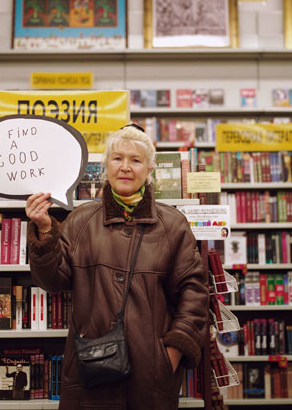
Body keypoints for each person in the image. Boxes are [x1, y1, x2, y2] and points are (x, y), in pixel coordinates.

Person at [25, 124, 210, 410]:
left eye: (135, 160)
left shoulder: (173, 225)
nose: (125, 167)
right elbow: (53, 282)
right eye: (117, 158)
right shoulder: (80, 220)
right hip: (91, 372)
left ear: (149, 170)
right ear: (106, 166)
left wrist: (171, 354)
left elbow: (194, 294)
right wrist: (45, 231)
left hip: (151, 376)